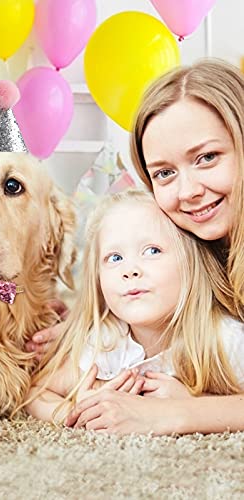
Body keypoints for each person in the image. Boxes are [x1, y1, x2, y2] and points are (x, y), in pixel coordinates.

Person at [70, 59, 244, 435]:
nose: (188, 191)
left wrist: (178, 415)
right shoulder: (196, 248)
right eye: (165, 173)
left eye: (207, 158)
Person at [24, 189, 244, 427]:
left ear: (192, 263)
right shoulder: (104, 342)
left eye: (152, 251)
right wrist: (79, 409)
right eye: (115, 258)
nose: (130, 270)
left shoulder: (225, 340)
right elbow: (35, 392)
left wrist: (194, 401)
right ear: (98, 281)